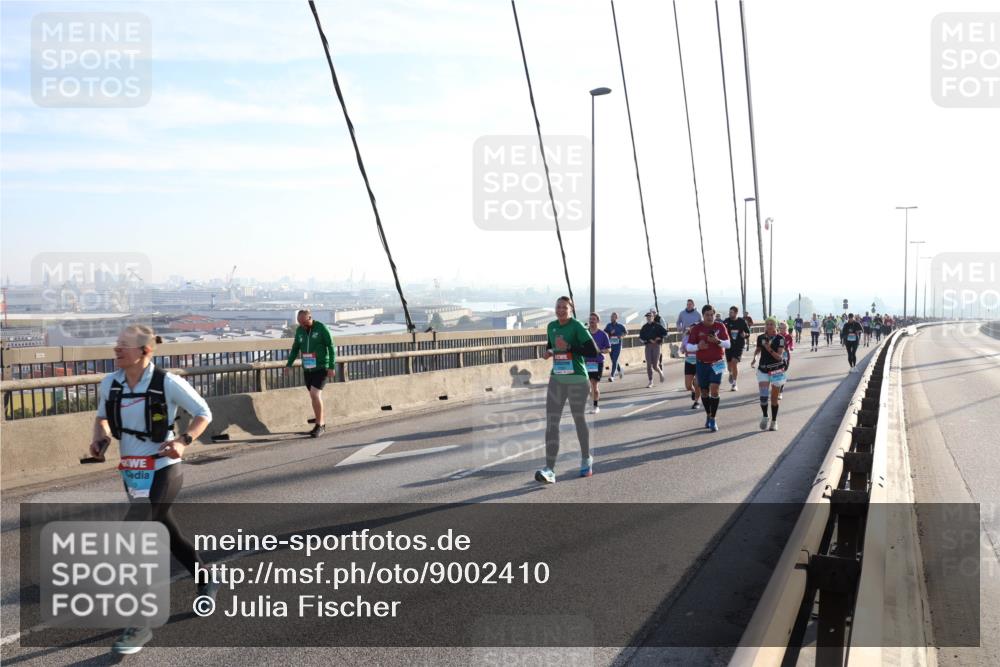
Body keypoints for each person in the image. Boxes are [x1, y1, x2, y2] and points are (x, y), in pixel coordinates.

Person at [88, 325, 217, 655]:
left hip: (165, 470)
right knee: (167, 533)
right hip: (134, 474)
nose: (116, 350)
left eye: (124, 346)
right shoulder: (110, 383)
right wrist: (99, 440)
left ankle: (140, 623)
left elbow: (204, 413)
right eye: (116, 344)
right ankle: (205, 575)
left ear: (144, 351)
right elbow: (102, 418)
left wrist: (183, 441)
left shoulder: (167, 383)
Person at [535, 296, 599, 484]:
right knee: (551, 422)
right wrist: (548, 352)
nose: (561, 310)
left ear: (571, 309)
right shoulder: (551, 326)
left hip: (578, 379)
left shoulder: (577, 326)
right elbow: (552, 346)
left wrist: (570, 347)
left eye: (564, 307)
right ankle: (550, 469)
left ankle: (586, 458)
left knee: (579, 419)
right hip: (557, 379)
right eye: (558, 307)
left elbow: (592, 351)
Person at [284, 309, 336, 437]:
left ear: (310, 317)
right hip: (308, 368)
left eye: (304, 322)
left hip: (321, 367)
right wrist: (289, 364)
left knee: (315, 393)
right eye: (299, 322)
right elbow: (295, 348)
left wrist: (331, 366)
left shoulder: (321, 328)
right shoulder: (300, 331)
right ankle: (320, 423)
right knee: (313, 396)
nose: (302, 325)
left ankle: (320, 425)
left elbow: (331, 346)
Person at [685, 305, 731, 432]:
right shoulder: (697, 328)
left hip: (717, 362)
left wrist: (717, 341)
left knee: (715, 390)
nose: (710, 317)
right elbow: (688, 347)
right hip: (702, 363)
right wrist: (698, 347)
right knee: (704, 392)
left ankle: (713, 419)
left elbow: (728, 344)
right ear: (703, 316)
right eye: (707, 315)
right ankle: (708, 414)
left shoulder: (720, 326)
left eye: (712, 314)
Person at [750, 317, 787, 431]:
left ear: (775, 326)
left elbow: (779, 357)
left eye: (772, 324)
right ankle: (765, 416)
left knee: (774, 398)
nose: (769, 326)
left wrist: (768, 348)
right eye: (767, 324)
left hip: (776, 370)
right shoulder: (761, 337)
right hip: (763, 370)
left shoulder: (780, 338)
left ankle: (774, 421)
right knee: (763, 397)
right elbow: (757, 350)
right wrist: (755, 358)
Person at [586, 313, 612, 413]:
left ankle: (596, 406)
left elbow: (609, 349)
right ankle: (592, 402)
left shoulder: (603, 334)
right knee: (586, 387)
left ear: (598, 321)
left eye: (593, 319)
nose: (591, 321)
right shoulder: (585, 333)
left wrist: (600, 351)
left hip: (597, 362)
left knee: (594, 385)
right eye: (590, 319)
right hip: (585, 362)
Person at [723, 306, 751, 391]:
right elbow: (720, 331)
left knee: (734, 363)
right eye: (729, 312)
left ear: (736, 313)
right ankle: (731, 373)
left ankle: (734, 384)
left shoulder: (742, 321)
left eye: (731, 312)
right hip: (729, 345)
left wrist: (745, 335)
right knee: (729, 366)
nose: (730, 313)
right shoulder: (726, 321)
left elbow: (748, 332)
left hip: (739, 345)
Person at [639, 310, 667, 388]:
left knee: (655, 365)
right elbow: (640, 338)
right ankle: (650, 381)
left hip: (656, 346)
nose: (648, 318)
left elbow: (666, 333)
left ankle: (660, 373)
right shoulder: (644, 327)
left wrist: (659, 338)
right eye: (647, 317)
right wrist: (647, 340)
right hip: (648, 346)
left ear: (653, 317)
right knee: (648, 364)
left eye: (650, 317)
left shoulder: (657, 325)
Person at [681, 325, 701, 409]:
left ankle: (697, 402)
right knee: (688, 386)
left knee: (697, 383)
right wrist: (683, 349)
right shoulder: (686, 337)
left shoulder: (700, 337)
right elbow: (682, 349)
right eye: (692, 328)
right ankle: (693, 391)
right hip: (689, 361)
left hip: (699, 361)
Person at [603, 312, 627, 381]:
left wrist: (621, 336)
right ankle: (620, 370)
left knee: (615, 360)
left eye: (613, 317)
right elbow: (604, 333)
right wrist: (609, 333)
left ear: (616, 318)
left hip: (618, 345)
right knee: (613, 360)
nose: (611, 318)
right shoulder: (608, 325)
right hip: (610, 345)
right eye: (611, 317)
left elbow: (626, 332)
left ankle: (612, 376)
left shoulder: (620, 326)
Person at [778, 321, 794, 399]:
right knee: (778, 373)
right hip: (778, 357)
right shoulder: (777, 336)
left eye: (784, 328)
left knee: (782, 373)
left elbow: (791, 344)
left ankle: (780, 390)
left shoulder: (788, 336)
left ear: (786, 328)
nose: (782, 329)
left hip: (786, 357)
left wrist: (791, 347)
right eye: (781, 328)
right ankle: (779, 390)